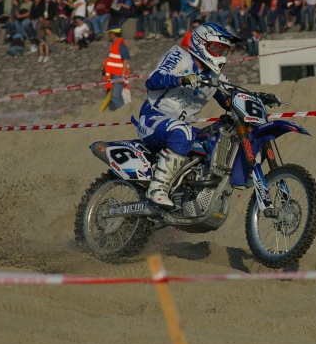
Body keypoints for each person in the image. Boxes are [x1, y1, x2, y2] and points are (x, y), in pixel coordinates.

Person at [132, 22, 242, 208]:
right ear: (200, 43)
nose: (220, 56)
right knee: (183, 132)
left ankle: (187, 197)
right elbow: (153, 80)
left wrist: (254, 100)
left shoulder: (214, 77)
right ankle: (157, 189)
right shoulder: (180, 57)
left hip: (183, 128)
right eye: (216, 49)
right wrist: (181, 79)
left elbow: (230, 98)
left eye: (224, 51)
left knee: (214, 140)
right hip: (153, 119)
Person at [102, 25, 130, 111]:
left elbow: (126, 59)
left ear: (113, 33)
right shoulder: (115, 44)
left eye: (109, 33)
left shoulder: (120, 43)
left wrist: (122, 75)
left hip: (118, 74)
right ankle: (121, 111)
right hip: (113, 74)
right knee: (113, 96)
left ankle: (122, 112)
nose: (109, 35)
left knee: (115, 97)